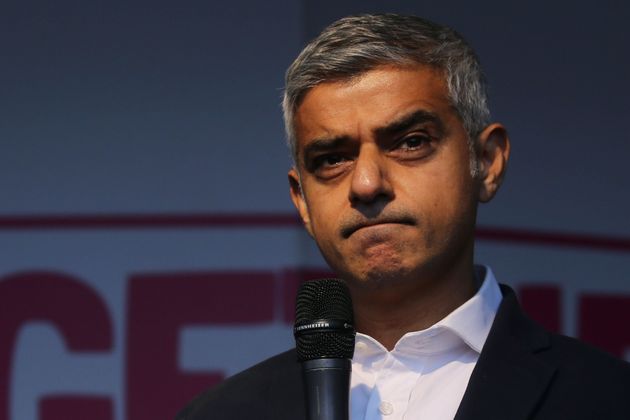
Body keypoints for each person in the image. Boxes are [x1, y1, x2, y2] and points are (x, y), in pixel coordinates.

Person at [176, 13, 630, 420]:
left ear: (486, 162)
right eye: (333, 158)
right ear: (302, 201)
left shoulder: (608, 398)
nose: (367, 184)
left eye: (410, 142)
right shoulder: (221, 414)